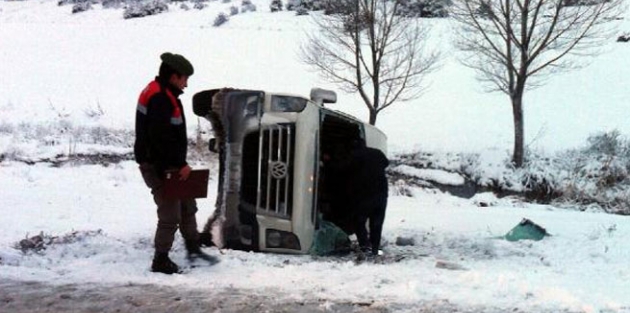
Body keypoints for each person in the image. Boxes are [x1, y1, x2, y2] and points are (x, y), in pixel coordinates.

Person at [135, 52, 214, 274]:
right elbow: (160, 139)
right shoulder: (160, 98)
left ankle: (193, 247)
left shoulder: (161, 92)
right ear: (174, 76)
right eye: (185, 78)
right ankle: (160, 259)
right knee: (170, 214)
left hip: (168, 162)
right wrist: (178, 165)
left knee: (188, 204)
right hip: (159, 165)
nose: (186, 84)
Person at [347, 141, 389, 256]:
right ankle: (375, 248)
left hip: (365, 195)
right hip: (381, 194)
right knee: (377, 223)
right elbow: (386, 163)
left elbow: (346, 171)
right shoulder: (378, 153)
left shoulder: (355, 155)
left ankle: (364, 245)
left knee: (359, 221)